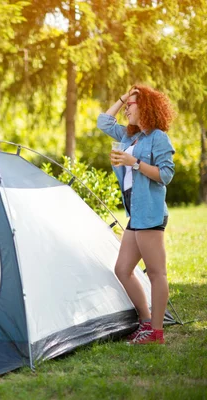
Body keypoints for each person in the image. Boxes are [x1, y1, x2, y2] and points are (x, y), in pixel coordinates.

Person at [97, 84, 176, 345]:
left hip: (151, 214)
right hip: (136, 214)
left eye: (131, 105)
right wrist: (123, 97)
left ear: (145, 107)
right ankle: (145, 321)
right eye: (128, 104)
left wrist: (135, 164)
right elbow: (104, 121)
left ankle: (156, 332)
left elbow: (165, 175)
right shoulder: (131, 137)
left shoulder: (158, 137)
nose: (127, 109)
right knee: (122, 269)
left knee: (156, 273)